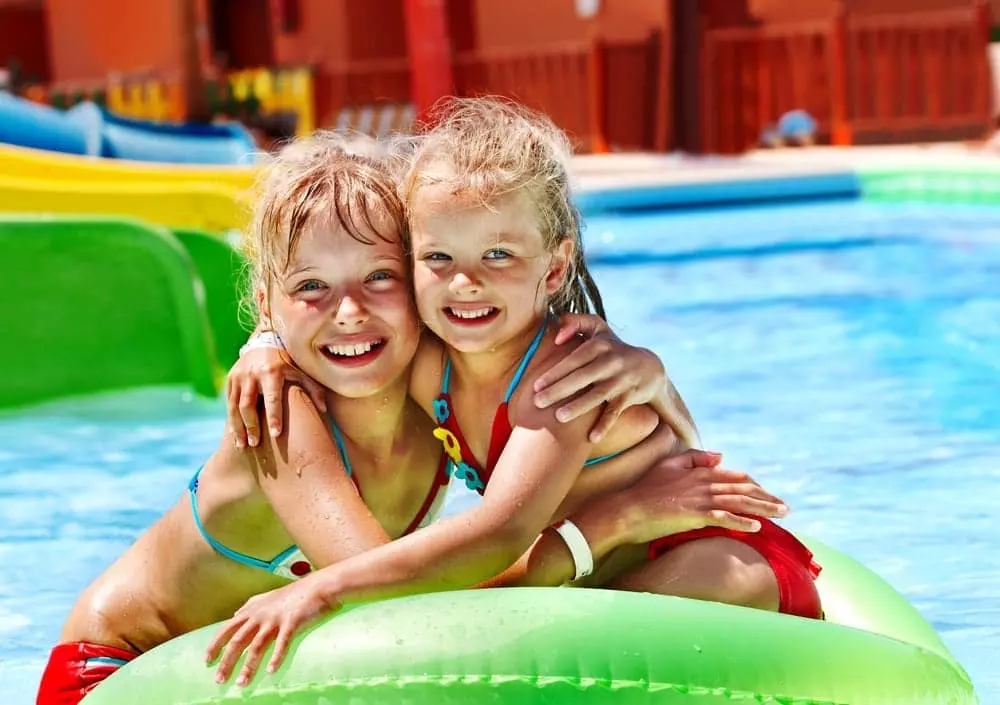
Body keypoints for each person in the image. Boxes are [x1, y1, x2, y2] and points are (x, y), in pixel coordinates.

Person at [35, 131, 759, 705]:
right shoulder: (283, 414)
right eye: (311, 287)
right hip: (119, 675)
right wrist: (615, 522)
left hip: (239, 674)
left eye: (380, 277)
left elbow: (646, 430)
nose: (349, 313)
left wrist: (645, 366)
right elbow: (400, 604)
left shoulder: (437, 389)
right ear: (267, 302)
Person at [206, 98, 818, 687]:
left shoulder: (563, 376)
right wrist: (263, 342)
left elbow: (499, 536)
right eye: (438, 256)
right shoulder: (428, 359)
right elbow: (331, 308)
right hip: (592, 574)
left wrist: (321, 586)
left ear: (553, 271)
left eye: (498, 255)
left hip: (707, 562)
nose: (466, 282)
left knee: (576, 633)